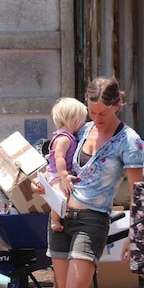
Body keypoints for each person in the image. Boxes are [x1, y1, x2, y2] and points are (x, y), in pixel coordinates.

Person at [34, 76, 144, 288]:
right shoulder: (81, 130)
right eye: (92, 113)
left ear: (117, 106)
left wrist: (134, 235)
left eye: (103, 114)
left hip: (93, 219)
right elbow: (63, 166)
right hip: (62, 213)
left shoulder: (130, 141)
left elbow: (139, 193)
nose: (97, 120)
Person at [45, 97, 88, 233]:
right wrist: (63, 176)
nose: (83, 124)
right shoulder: (64, 138)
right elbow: (59, 158)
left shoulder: (67, 136)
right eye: (82, 120)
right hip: (57, 175)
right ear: (75, 119)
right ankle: (55, 221)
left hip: (60, 173)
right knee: (61, 196)